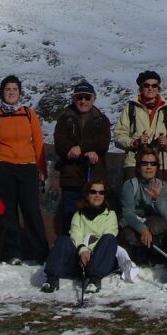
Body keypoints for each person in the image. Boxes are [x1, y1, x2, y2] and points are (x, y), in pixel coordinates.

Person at [0, 75, 48, 264]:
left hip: (27, 167)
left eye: (15, 89)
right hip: (1, 167)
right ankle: (13, 253)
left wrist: (42, 168)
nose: (11, 93)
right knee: (8, 211)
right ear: (2, 92)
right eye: (8, 89)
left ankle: (40, 252)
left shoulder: (29, 114)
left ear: (20, 93)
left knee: (31, 209)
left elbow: (38, 142)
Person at [41, 178, 118, 293]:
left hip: (98, 259)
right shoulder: (79, 215)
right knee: (63, 240)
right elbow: (76, 234)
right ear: (87, 195)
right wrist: (82, 251)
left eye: (101, 193)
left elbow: (109, 233)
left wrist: (89, 252)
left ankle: (94, 280)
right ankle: (52, 278)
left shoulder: (110, 215)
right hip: (79, 259)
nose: (97, 195)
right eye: (93, 192)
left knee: (109, 239)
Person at [53, 79, 111, 232]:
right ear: (74, 99)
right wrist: (87, 151)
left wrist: (81, 148)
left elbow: (103, 142)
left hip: (94, 180)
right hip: (71, 179)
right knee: (70, 219)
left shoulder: (101, 120)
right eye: (79, 97)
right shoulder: (64, 118)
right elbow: (60, 144)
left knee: (94, 220)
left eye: (87, 97)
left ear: (93, 99)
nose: (83, 101)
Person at [112, 70, 167, 184]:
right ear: (140, 88)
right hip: (134, 163)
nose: (151, 88)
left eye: (154, 85)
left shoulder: (166, 110)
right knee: (133, 198)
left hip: (162, 164)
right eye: (147, 85)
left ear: (158, 88)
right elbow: (118, 137)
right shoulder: (130, 108)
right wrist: (134, 142)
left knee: (160, 199)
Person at [119, 146, 167, 265]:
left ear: (157, 167)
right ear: (138, 167)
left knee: (157, 225)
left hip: (154, 226)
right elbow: (128, 213)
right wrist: (142, 229)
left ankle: (156, 259)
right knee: (128, 235)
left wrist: (157, 199)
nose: (149, 167)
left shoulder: (163, 186)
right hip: (135, 224)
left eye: (153, 163)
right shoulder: (130, 185)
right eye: (144, 163)